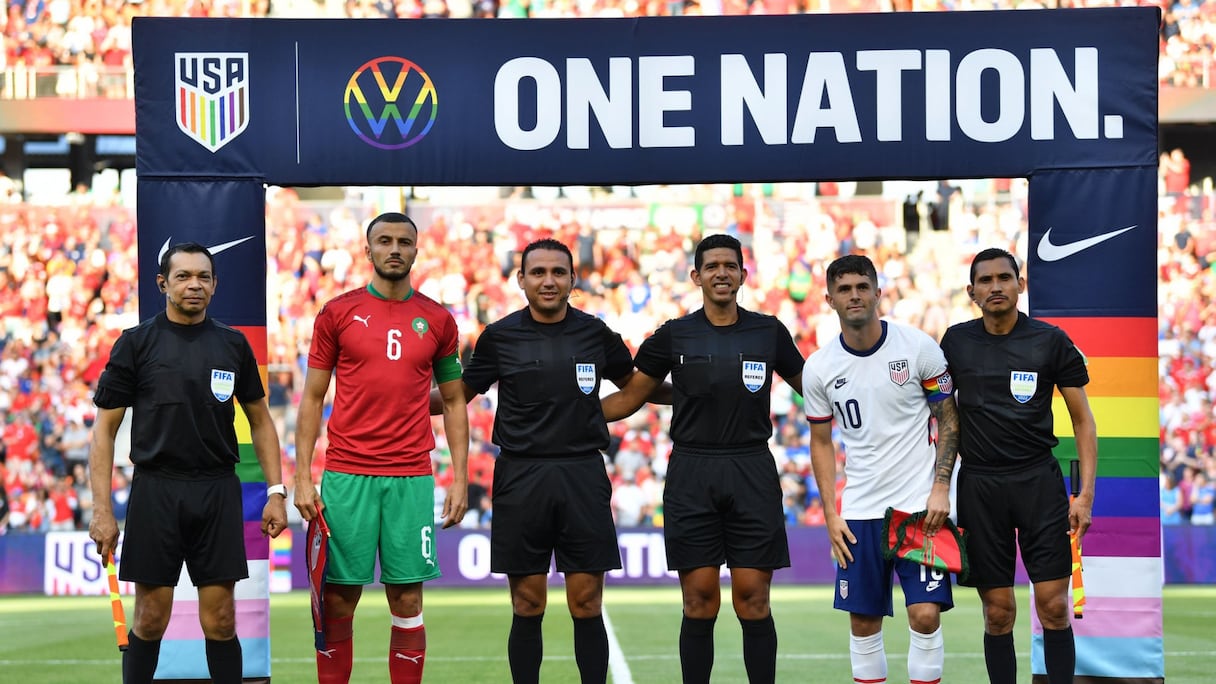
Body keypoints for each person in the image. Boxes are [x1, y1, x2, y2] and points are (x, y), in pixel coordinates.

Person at [435, 238, 644, 683]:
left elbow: (634, 388)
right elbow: (456, 396)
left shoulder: (596, 333)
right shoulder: (499, 336)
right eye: (538, 272)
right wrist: (394, 396)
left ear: (572, 279)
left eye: (558, 272)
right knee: (527, 603)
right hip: (521, 475)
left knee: (586, 602)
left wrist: (694, 390)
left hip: (582, 473)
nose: (548, 281)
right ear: (521, 280)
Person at [602, 233, 804, 684]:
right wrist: (572, 416)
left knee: (753, 598)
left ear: (743, 275)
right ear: (696, 276)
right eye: (712, 266)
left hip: (752, 468)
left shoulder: (769, 331)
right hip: (692, 471)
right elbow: (632, 395)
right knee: (699, 600)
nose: (721, 273)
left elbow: (813, 387)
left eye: (729, 265)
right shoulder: (674, 334)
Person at [87, 242, 288, 684]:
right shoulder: (135, 344)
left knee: (221, 619)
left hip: (216, 489)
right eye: (183, 276)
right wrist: (101, 509)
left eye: (203, 277)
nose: (194, 284)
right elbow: (104, 431)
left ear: (215, 285)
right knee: (150, 617)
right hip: (156, 489)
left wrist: (276, 491)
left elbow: (260, 420)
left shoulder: (233, 344)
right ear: (163, 283)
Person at [293, 212, 469, 684]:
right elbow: (311, 397)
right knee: (337, 598)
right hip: (346, 475)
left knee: (407, 598)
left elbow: (454, 402)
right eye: (385, 241)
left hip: (411, 477)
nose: (395, 249)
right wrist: (303, 476)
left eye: (404, 242)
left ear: (416, 250)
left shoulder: (438, 319)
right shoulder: (337, 313)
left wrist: (460, 479)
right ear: (367, 250)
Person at [939, 247, 1097, 684]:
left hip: (1038, 484)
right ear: (971, 291)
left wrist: (1085, 496)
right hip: (980, 486)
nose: (996, 287)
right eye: (985, 280)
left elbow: (1084, 421)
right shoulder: (954, 342)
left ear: (1020, 285)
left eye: (1004, 278)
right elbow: (940, 415)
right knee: (997, 612)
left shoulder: (1050, 340)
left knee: (1054, 607)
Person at [801, 254, 961, 684]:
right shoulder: (818, 368)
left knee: (925, 615)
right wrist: (831, 513)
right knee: (863, 622)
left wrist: (941, 487)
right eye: (844, 289)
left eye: (862, 287)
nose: (854, 295)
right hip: (860, 510)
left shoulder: (918, 347)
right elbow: (821, 442)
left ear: (877, 292)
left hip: (919, 507)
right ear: (830, 299)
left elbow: (948, 418)